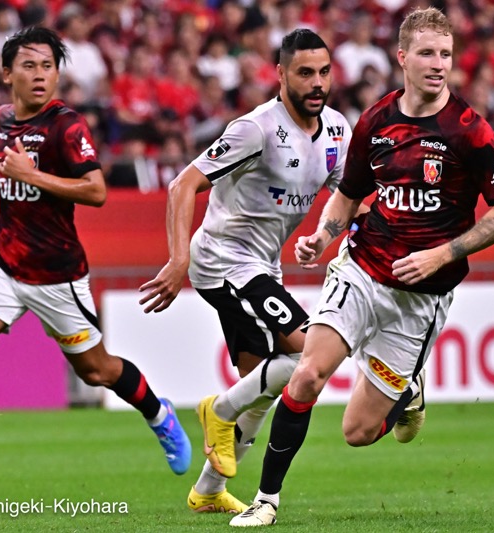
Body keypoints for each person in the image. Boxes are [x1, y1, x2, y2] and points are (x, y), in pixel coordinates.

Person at [230, 7, 494, 527]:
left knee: (358, 431)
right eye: (428, 54)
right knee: (307, 375)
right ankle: (266, 501)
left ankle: (407, 391)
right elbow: (348, 195)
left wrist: (444, 253)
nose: (439, 64)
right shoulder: (376, 121)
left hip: (421, 299)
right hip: (362, 271)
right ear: (403, 58)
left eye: (446, 54)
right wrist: (322, 236)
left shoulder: (469, 132)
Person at [0, 27, 191, 496]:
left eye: (48, 67)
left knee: (97, 370)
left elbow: (96, 190)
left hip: (57, 275)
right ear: (7, 73)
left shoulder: (66, 126)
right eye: (30, 66)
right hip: (3, 262)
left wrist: (33, 175)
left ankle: (159, 413)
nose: (40, 75)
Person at [139, 29, 352, 514]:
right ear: (279, 75)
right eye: (304, 73)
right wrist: (179, 260)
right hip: (223, 260)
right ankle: (219, 410)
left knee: (261, 387)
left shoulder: (337, 130)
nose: (316, 83)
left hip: (263, 267)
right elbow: (181, 185)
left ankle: (209, 490)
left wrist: (324, 235)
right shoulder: (255, 129)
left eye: (323, 72)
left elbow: (348, 196)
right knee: (307, 353)